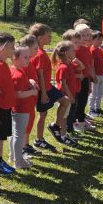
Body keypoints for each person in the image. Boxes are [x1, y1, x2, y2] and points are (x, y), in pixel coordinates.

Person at [29, 23, 66, 151]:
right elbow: (39, 74)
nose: (51, 37)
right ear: (40, 38)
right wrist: (43, 93)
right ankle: (39, 140)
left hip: (48, 87)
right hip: (43, 89)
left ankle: (55, 126)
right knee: (43, 114)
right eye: (48, 35)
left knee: (65, 101)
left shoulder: (41, 52)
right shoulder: (39, 54)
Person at [0, 32, 17, 175]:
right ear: (2, 48)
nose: (14, 50)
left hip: (6, 106)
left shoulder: (4, 64)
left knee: (1, 137)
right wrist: (1, 92)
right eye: (11, 47)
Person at [10, 45, 40, 167]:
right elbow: (18, 94)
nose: (29, 59)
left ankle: (13, 157)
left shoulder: (17, 70)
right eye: (25, 57)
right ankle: (18, 161)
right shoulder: (18, 74)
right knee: (19, 135)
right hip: (21, 109)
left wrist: (30, 82)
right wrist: (32, 92)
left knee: (15, 134)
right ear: (15, 58)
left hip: (19, 109)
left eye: (29, 56)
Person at [50, 42, 78, 146]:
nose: (74, 51)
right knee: (64, 117)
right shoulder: (63, 67)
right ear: (66, 53)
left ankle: (63, 135)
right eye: (72, 50)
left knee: (65, 116)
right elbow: (63, 84)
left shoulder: (68, 65)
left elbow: (81, 67)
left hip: (68, 96)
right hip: (65, 96)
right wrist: (70, 96)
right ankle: (62, 136)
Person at [19, 34, 40, 157]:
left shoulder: (30, 62)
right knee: (25, 123)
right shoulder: (24, 63)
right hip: (26, 99)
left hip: (31, 98)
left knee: (30, 121)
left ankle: (25, 144)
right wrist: (30, 83)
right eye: (35, 48)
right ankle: (22, 148)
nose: (38, 50)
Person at [88, 31, 103, 117]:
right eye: (98, 39)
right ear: (92, 40)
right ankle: (91, 109)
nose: (100, 41)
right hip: (95, 76)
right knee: (93, 93)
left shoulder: (100, 50)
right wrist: (93, 77)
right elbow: (91, 65)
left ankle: (98, 108)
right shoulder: (91, 50)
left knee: (100, 93)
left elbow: (102, 64)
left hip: (101, 75)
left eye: (101, 39)